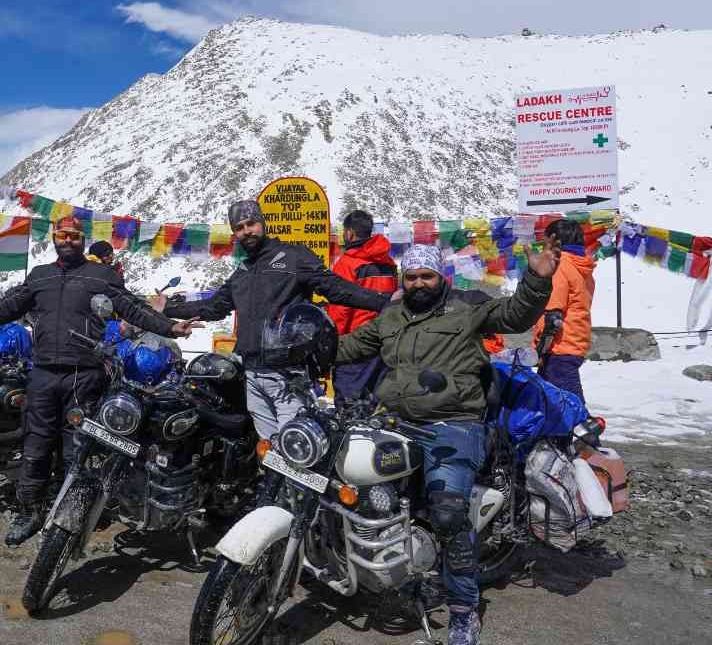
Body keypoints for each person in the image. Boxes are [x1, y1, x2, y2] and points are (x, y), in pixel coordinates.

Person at [333, 240, 559, 645]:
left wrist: (537, 280)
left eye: (427, 276)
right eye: (412, 277)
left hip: (453, 423)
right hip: (394, 420)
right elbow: (350, 346)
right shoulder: (392, 316)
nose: (419, 283)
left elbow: (515, 314)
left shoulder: (467, 308)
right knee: (345, 482)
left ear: (442, 277)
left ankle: (463, 610)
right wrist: (304, 342)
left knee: (449, 513)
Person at [0, 216, 202, 547]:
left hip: (84, 375)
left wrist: (169, 327)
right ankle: (29, 511)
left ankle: (68, 512)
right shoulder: (40, 277)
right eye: (63, 234)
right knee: (35, 444)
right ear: (54, 238)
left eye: (75, 235)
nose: (69, 240)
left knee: (73, 448)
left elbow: (131, 307)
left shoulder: (100, 275)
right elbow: (4, 308)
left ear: (83, 239)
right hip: (43, 373)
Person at [160, 199, 390, 441]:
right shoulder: (242, 273)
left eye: (251, 224)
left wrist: (385, 302)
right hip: (251, 375)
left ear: (262, 222)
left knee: (297, 452)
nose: (247, 231)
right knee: (269, 451)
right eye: (239, 227)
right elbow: (213, 307)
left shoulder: (294, 257)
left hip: (288, 376)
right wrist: (169, 309)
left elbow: (337, 289)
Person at [327, 210, 398, 399]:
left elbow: (340, 310)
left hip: (354, 346)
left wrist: (332, 344)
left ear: (349, 233)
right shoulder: (388, 263)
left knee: (350, 406)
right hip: (384, 342)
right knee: (377, 403)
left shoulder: (347, 264)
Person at [532, 218, 595, 402]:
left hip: (558, 348)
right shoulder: (582, 267)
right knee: (552, 403)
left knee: (569, 405)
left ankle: (587, 429)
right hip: (574, 343)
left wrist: (540, 350)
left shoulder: (560, 267)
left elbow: (553, 316)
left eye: (545, 240)